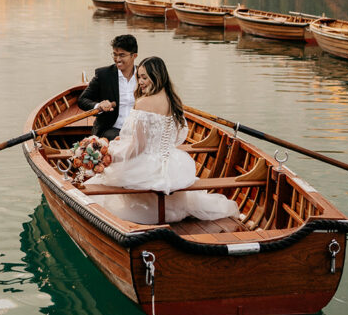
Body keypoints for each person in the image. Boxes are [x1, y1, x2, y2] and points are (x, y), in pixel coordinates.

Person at [91, 55, 240, 225]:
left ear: (157, 77)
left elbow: (137, 148)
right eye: (139, 77)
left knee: (106, 176)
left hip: (147, 163)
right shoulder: (174, 101)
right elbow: (177, 137)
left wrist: (112, 155)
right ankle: (167, 210)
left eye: (144, 77)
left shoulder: (143, 103)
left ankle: (148, 212)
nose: (140, 81)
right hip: (172, 162)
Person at [78, 34, 138, 140]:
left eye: (122, 55)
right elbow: (83, 100)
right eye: (115, 54)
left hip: (138, 130)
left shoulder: (144, 75)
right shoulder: (103, 74)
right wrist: (98, 106)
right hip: (111, 129)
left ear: (134, 56)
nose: (117, 59)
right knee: (124, 139)